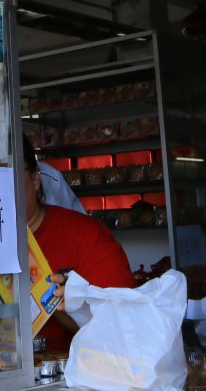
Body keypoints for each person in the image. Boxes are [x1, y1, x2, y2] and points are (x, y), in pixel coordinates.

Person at [21, 134, 134, 352]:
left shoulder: (85, 236)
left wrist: (68, 305)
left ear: (35, 178)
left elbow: (126, 329)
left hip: (73, 380)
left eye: (6, 174)